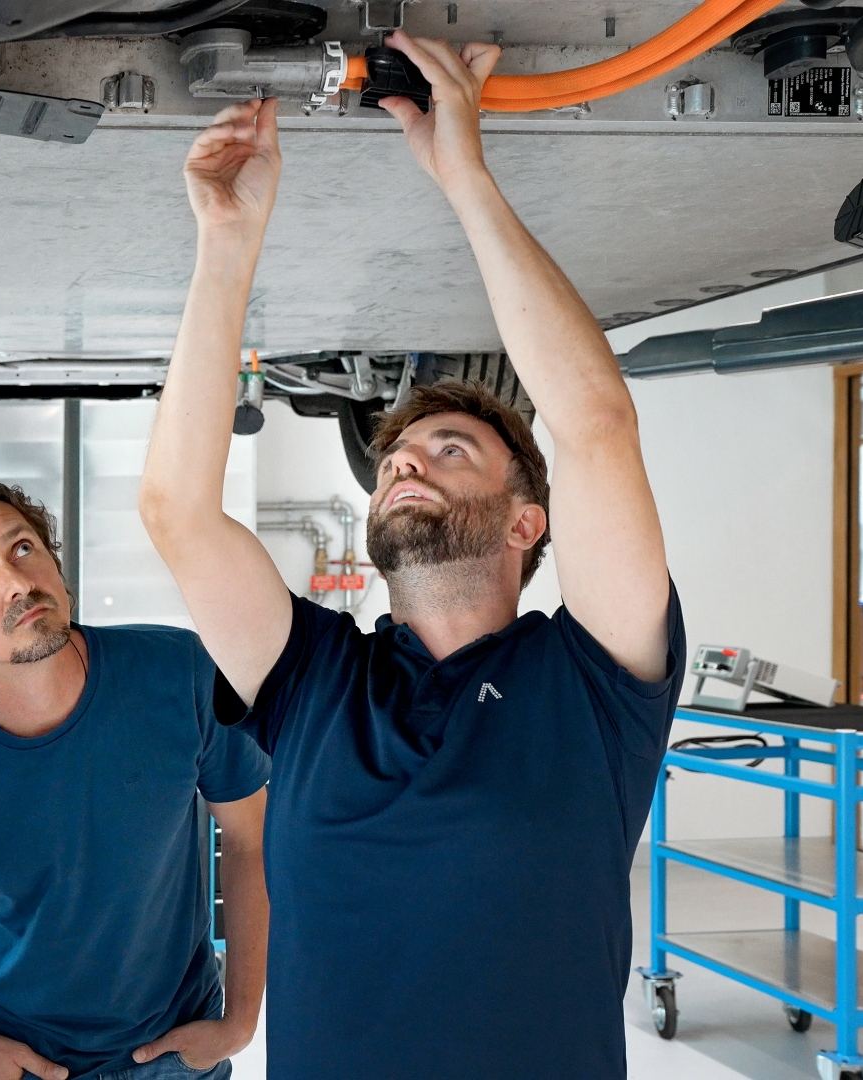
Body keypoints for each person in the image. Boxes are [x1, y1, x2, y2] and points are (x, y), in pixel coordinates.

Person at [139, 34, 685, 1080]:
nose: (405, 462)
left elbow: (596, 425)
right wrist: (227, 244)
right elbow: (178, 512)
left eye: (451, 450)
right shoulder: (313, 681)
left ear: (527, 524)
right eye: (396, 456)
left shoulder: (592, 683)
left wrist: (462, 173)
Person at [0, 482, 272, 1080]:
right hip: (15, 1060)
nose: (15, 581)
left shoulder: (182, 672)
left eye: (23, 548)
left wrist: (240, 1023)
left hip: (176, 1049)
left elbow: (250, 839)